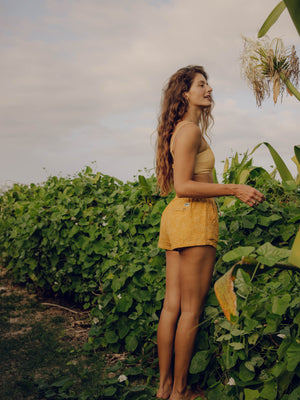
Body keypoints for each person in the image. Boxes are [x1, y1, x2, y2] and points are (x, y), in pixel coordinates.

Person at [155, 65, 265, 400]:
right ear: (185, 93)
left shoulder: (179, 129)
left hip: (176, 220)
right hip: (193, 219)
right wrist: (235, 188)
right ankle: (180, 392)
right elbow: (184, 186)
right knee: (190, 310)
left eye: (208, 84)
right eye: (202, 84)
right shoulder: (189, 131)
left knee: (172, 306)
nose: (209, 89)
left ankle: (163, 389)